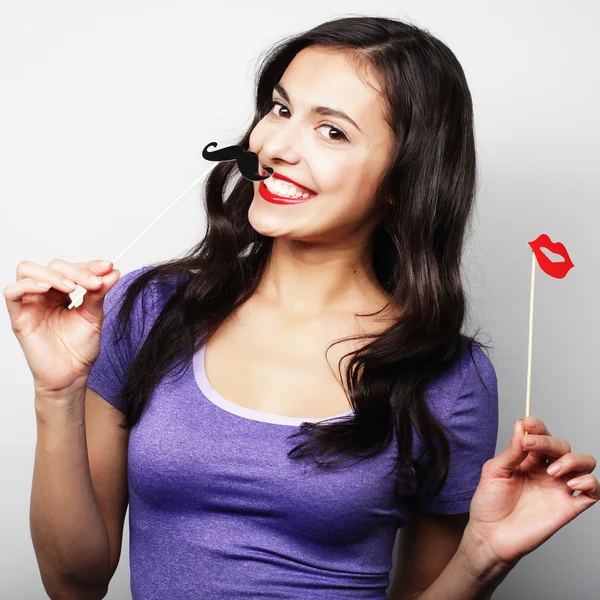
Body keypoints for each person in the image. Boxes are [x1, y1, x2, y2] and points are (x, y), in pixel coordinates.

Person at [7, 15, 598, 600]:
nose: (274, 145)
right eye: (282, 109)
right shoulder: (148, 309)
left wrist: (484, 557)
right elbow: (73, 584)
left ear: (403, 180)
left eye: (332, 131)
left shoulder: (450, 376)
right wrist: (56, 394)